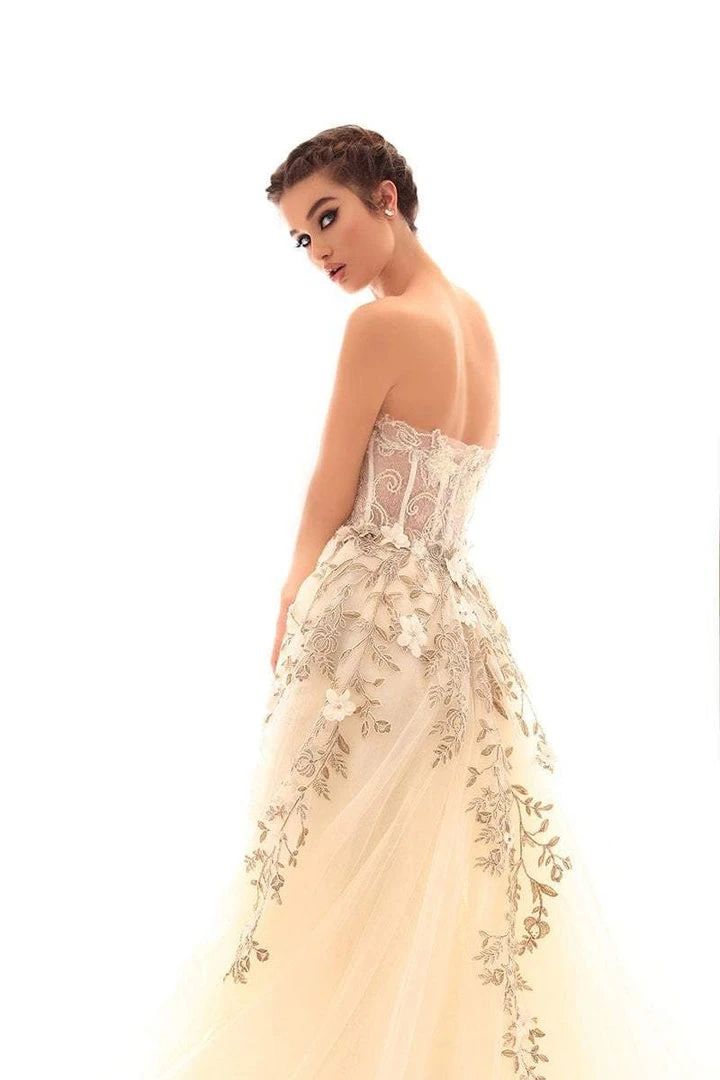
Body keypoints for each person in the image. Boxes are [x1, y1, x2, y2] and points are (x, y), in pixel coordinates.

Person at [140, 125, 705, 1079]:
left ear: (387, 197)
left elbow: (329, 495)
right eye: (301, 237)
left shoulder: (379, 326)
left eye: (328, 218)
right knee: (430, 890)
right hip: (456, 635)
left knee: (327, 880)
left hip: (366, 634)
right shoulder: (475, 322)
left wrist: (292, 604)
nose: (318, 251)